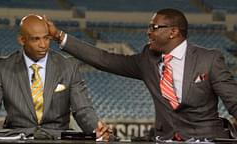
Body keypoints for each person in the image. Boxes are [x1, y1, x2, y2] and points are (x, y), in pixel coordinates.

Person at [45, 8, 237, 141]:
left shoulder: (209, 59)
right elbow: (104, 59)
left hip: (208, 139)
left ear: (173, 32)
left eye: (154, 27)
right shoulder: (148, 60)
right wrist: (60, 36)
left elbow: (234, 102)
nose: (148, 32)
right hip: (165, 140)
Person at [0, 14, 111, 140]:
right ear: (22, 40)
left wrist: (96, 130)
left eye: (46, 38)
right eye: (36, 39)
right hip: (18, 137)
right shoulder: (2, 68)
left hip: (58, 138)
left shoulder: (68, 66)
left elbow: (82, 109)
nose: (43, 45)